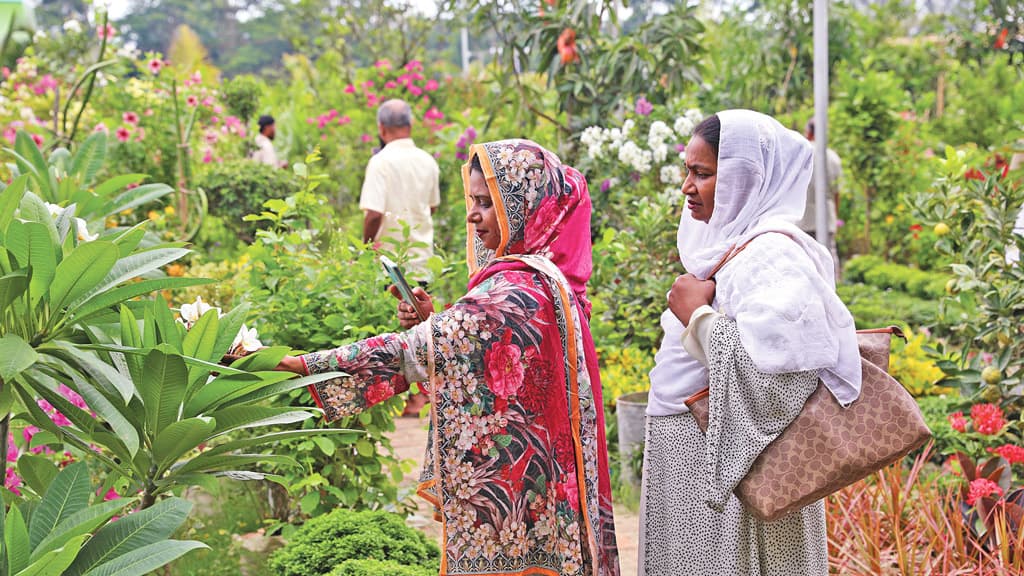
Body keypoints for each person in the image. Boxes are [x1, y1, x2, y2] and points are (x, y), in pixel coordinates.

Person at [277, 140, 620, 576]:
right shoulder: (540, 277)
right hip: (539, 502)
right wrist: (435, 323)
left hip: (519, 507)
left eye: (488, 202)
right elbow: (475, 351)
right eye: (473, 201)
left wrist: (300, 366)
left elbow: (411, 354)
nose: (474, 214)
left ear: (524, 205)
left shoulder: (515, 290)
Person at [640, 110, 862, 575]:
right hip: (695, 462)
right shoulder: (726, 245)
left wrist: (697, 316)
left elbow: (782, 377)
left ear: (747, 178)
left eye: (702, 173)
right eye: (687, 170)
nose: (686, 186)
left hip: (736, 478)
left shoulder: (774, 257)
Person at [361, 99, 440, 283]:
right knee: (421, 312)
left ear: (381, 128)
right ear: (411, 124)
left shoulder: (380, 162)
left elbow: (373, 215)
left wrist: (365, 250)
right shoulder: (428, 161)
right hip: (422, 266)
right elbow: (432, 208)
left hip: (389, 268)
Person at [795, 117, 842, 280]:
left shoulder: (801, 154)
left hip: (802, 216)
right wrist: (835, 216)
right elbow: (837, 192)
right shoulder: (833, 157)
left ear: (808, 132)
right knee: (828, 259)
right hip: (826, 216)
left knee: (804, 260)